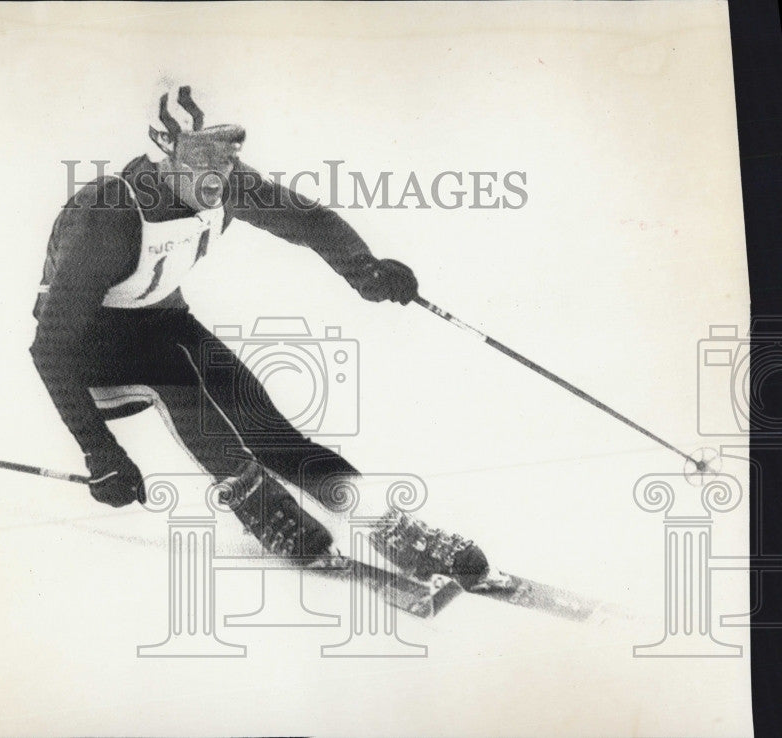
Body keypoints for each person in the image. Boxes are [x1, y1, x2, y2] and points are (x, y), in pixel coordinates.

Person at [30, 85, 490, 589]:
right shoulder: (108, 213)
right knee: (187, 393)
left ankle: (388, 526)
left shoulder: (225, 184)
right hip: (91, 347)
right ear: (165, 150)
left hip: (161, 320)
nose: (220, 174)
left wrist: (367, 272)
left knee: (266, 422)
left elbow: (307, 220)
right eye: (204, 156)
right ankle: (266, 510)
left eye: (229, 155)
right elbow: (50, 347)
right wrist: (100, 452)